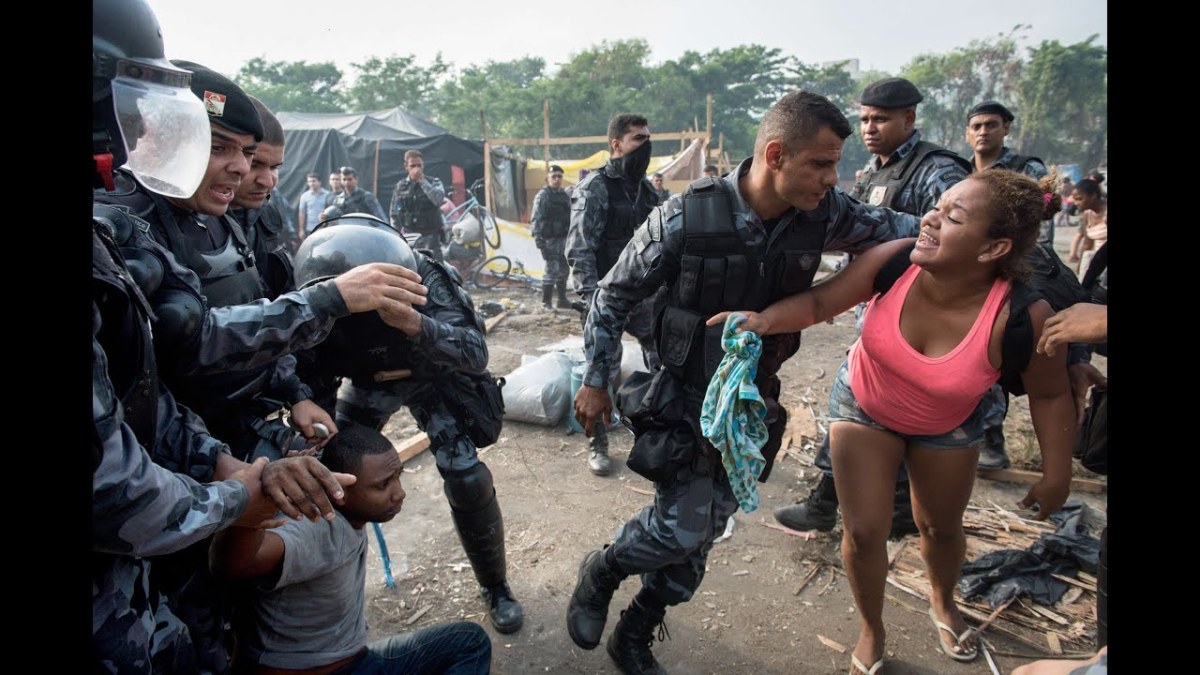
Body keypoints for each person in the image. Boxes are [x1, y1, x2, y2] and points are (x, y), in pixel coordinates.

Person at [565, 91, 921, 674]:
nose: (833, 179)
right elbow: (613, 294)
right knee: (681, 528)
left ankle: (634, 632)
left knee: (705, 533)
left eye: (835, 165)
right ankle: (603, 570)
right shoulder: (685, 216)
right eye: (821, 164)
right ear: (776, 155)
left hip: (750, 402)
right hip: (682, 394)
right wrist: (596, 379)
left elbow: (919, 231)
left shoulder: (825, 213)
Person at [95, 61, 431, 672]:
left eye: (250, 155)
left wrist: (286, 399)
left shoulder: (218, 221)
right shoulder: (128, 225)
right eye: (220, 148)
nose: (245, 171)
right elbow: (189, 345)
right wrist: (329, 299)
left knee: (225, 609)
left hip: (208, 450)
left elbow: (201, 348)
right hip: (160, 483)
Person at [707, 169, 1076, 674]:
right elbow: (821, 301)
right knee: (863, 532)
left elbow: (1051, 395)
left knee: (939, 528)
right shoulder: (896, 260)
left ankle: (943, 602)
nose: (930, 219)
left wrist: (1057, 475)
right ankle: (871, 628)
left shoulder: (1021, 315)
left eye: (953, 217)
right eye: (937, 206)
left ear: (993, 249)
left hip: (948, 424)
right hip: (865, 405)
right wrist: (764, 320)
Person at [293, 214, 525, 635]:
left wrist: (416, 324)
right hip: (368, 382)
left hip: (433, 377)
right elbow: (312, 370)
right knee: (331, 477)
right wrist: (317, 429)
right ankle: (331, 593)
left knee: (467, 479)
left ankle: (495, 586)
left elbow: (475, 352)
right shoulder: (318, 288)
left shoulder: (424, 275)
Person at [775, 78, 971, 539]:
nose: (869, 127)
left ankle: (888, 518)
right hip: (878, 313)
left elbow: (960, 238)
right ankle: (835, 506)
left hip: (920, 324)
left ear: (909, 118)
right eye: (864, 118)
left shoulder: (937, 171)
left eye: (880, 119)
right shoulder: (873, 172)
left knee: (894, 417)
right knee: (859, 408)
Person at [211, 424, 493, 674]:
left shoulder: (348, 513)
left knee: (468, 641)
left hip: (352, 657)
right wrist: (251, 511)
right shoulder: (316, 526)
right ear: (339, 490)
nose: (399, 493)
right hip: (327, 670)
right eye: (383, 485)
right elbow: (235, 564)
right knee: (471, 643)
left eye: (397, 476)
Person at [565, 112, 663, 477]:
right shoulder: (595, 188)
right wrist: (593, 304)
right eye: (639, 139)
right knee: (599, 372)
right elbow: (580, 250)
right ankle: (597, 441)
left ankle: (657, 432)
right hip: (604, 299)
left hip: (644, 297)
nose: (646, 145)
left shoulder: (647, 192)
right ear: (616, 145)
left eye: (648, 138)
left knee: (665, 360)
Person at [964, 101, 1053, 243]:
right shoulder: (961, 173)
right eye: (976, 127)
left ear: (1006, 128)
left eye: (991, 125)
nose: (983, 132)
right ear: (967, 133)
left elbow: (1042, 233)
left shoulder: (1027, 170)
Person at [390, 149, 448, 262]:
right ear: (406, 166)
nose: (416, 169)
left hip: (431, 237)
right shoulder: (400, 186)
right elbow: (394, 213)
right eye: (413, 166)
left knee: (436, 268)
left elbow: (438, 200)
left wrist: (422, 181)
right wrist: (395, 236)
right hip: (410, 236)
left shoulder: (434, 182)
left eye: (419, 165)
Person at [530, 164, 573, 310]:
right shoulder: (543, 196)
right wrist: (538, 239)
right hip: (550, 240)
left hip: (564, 239)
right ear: (547, 178)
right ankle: (546, 302)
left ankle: (562, 300)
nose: (557, 179)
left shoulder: (564, 195)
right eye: (554, 176)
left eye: (559, 176)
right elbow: (535, 219)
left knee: (564, 270)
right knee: (551, 271)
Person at [1069, 178, 1107, 279]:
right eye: (1075, 199)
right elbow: (1087, 243)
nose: (1076, 203)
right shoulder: (1087, 214)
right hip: (1097, 261)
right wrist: (1081, 266)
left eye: (1079, 199)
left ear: (1093, 196)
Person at [298, 172, 331, 244]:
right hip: (310, 229)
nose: (311, 183)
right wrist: (301, 230)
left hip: (324, 228)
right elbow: (302, 213)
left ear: (319, 182)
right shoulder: (304, 196)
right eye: (309, 181)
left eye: (313, 181)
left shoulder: (328, 195)